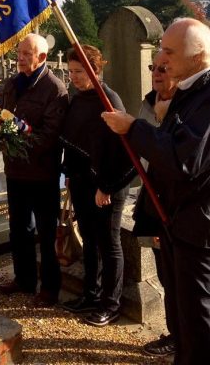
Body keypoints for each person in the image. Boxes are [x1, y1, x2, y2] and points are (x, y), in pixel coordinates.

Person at [102, 18, 210, 365]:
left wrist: (134, 127)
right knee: (181, 301)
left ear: (196, 56)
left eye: (169, 51)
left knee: (196, 306)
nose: (161, 59)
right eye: (161, 49)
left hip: (198, 218)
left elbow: (184, 159)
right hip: (174, 215)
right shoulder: (188, 91)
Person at [59, 45, 134, 327]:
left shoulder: (109, 101)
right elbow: (74, 141)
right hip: (81, 181)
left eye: (79, 72)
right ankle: (90, 294)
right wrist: (69, 173)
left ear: (95, 70)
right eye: (71, 72)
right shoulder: (78, 99)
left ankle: (110, 304)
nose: (74, 77)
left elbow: (121, 152)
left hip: (106, 185)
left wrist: (107, 186)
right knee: (89, 240)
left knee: (108, 242)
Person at [0, 34, 68, 307]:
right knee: (19, 229)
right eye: (20, 52)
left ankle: (49, 288)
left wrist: (16, 140)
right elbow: (2, 115)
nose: (21, 57)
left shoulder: (54, 89)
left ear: (42, 57)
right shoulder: (13, 84)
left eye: (27, 53)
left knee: (46, 234)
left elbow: (49, 137)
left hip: (42, 174)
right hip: (14, 171)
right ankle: (23, 279)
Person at [137, 61, 180, 357]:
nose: (156, 73)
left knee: (181, 278)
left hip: (175, 203)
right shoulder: (148, 103)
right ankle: (175, 332)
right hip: (152, 198)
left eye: (164, 69)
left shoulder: (186, 108)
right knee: (165, 275)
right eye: (154, 67)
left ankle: (184, 337)